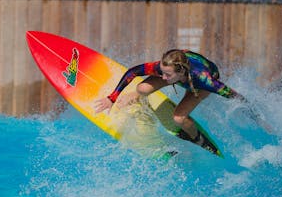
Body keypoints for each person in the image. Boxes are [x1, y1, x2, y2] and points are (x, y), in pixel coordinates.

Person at [94, 49, 247, 150]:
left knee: (179, 118)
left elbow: (236, 97)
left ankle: (197, 138)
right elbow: (133, 71)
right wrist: (112, 98)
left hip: (200, 83)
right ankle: (137, 97)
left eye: (167, 74)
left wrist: (257, 116)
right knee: (142, 88)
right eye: (162, 71)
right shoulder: (164, 69)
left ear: (180, 72)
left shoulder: (205, 80)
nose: (162, 76)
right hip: (181, 68)